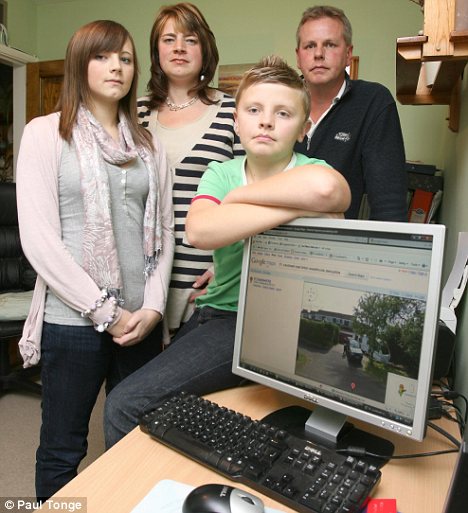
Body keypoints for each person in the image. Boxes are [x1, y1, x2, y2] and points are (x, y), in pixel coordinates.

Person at [104, 55, 351, 448]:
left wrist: (237, 202)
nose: (266, 121)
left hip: (257, 320)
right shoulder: (221, 172)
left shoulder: (310, 168)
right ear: (237, 121)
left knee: (124, 404)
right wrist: (295, 207)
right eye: (254, 110)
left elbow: (327, 191)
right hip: (213, 312)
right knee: (147, 404)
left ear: (304, 129)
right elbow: (201, 231)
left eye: (282, 113)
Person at [16, 20, 174, 500]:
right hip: (74, 322)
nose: (117, 67)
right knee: (64, 447)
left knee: (138, 443)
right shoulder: (45, 134)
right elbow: (40, 240)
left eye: (126, 58)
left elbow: (164, 232)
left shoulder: (150, 146)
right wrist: (104, 311)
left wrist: (153, 307)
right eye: (104, 56)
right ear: (79, 64)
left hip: (140, 326)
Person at [137, 3, 243, 340]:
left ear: (205, 49)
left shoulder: (232, 111)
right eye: (169, 39)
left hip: (204, 290)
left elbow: (248, 194)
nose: (179, 48)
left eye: (190, 39)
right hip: (141, 285)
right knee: (132, 387)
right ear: (157, 51)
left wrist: (226, 271)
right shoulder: (134, 113)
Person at [294, 5, 408, 221]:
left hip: (341, 245)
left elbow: (389, 205)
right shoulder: (278, 103)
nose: (318, 54)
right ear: (298, 57)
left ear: (348, 54)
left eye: (330, 44)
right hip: (275, 244)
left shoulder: (373, 102)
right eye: (309, 46)